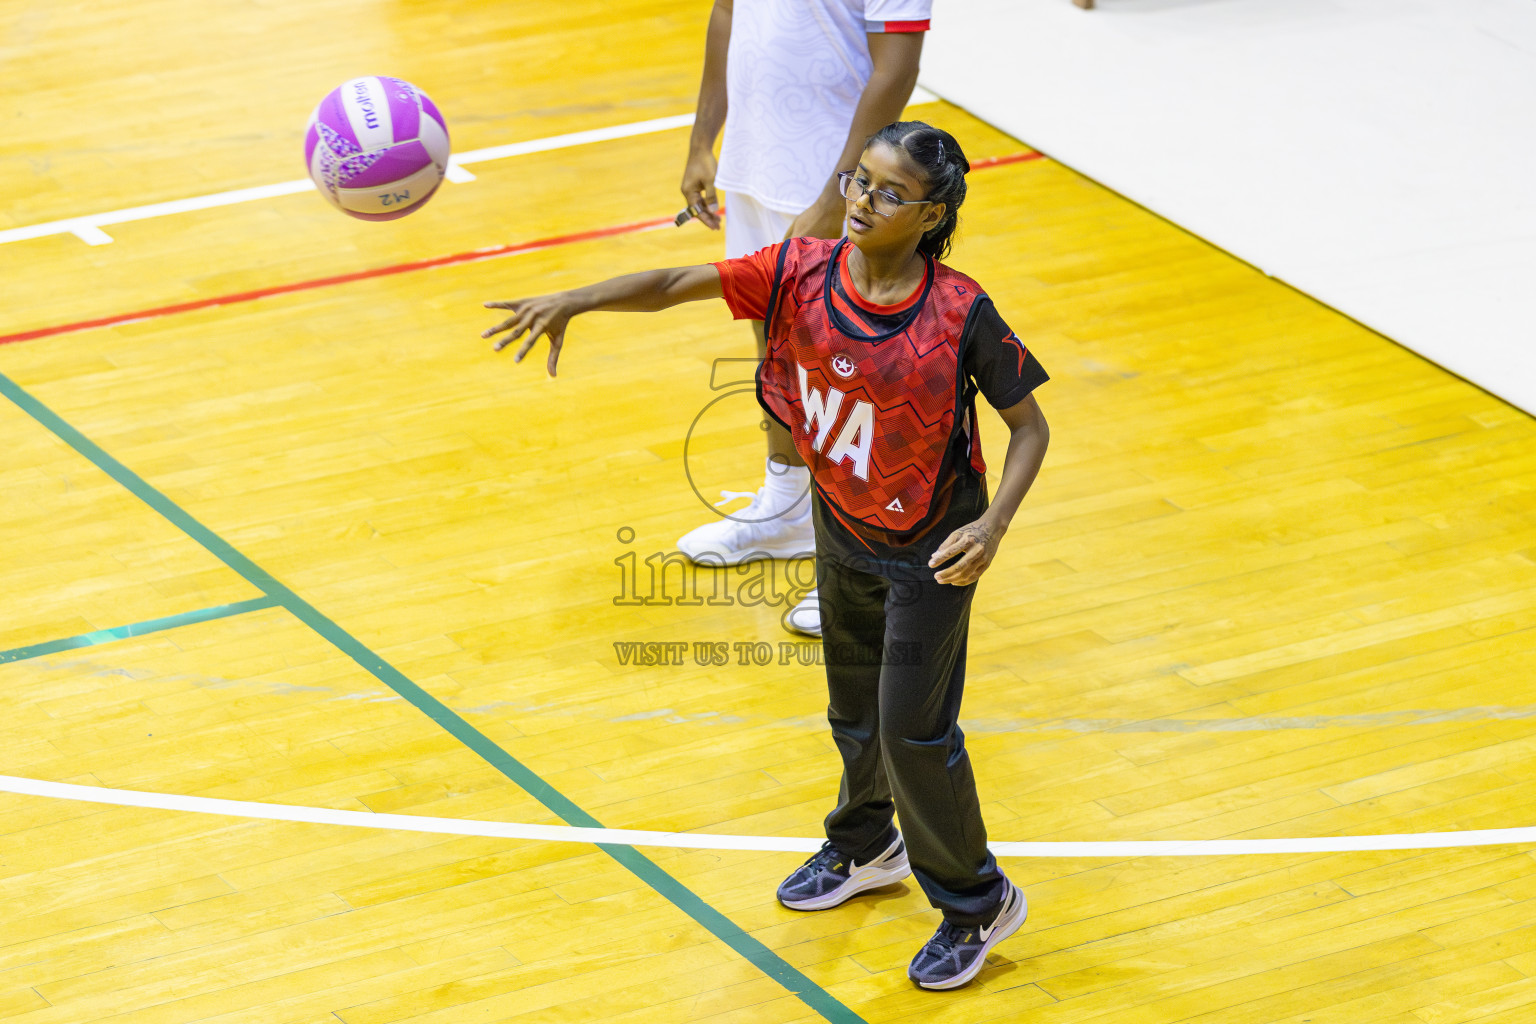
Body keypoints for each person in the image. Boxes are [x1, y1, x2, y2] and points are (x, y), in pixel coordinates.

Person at [483, 121, 1050, 991]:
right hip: (843, 524)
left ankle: (978, 900)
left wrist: (994, 528)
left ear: (932, 213)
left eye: (889, 193)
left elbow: (1029, 426)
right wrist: (575, 300)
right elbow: (678, 281)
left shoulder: (958, 311)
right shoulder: (800, 271)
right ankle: (867, 845)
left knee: (913, 730)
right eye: (859, 180)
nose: (863, 200)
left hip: (934, 548)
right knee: (853, 708)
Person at [677, 0, 930, 638]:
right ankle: (787, 508)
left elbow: (896, 69)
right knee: (776, 354)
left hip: (833, 185)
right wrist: (703, 141)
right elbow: (728, 14)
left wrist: (840, 191)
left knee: (851, 377)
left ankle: (858, 563)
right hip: (755, 169)